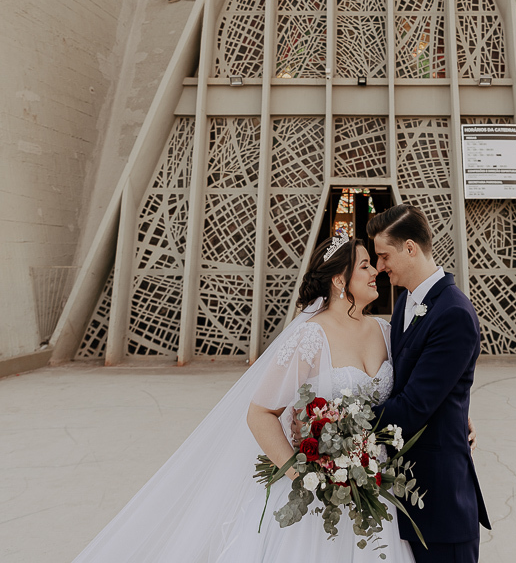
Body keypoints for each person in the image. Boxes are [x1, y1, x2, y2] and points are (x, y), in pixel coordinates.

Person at [70, 233, 415, 562]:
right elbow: (261, 412)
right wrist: (305, 475)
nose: (376, 272)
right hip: (319, 495)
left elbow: (410, 396)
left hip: (376, 486)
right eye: (366, 265)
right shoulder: (309, 337)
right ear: (340, 280)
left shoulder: (385, 332)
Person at [367, 203, 492, 563]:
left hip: (440, 501)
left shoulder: (453, 313)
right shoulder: (406, 299)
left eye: (383, 255)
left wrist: (338, 424)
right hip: (402, 492)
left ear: (410, 248)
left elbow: (412, 408)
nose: (380, 266)